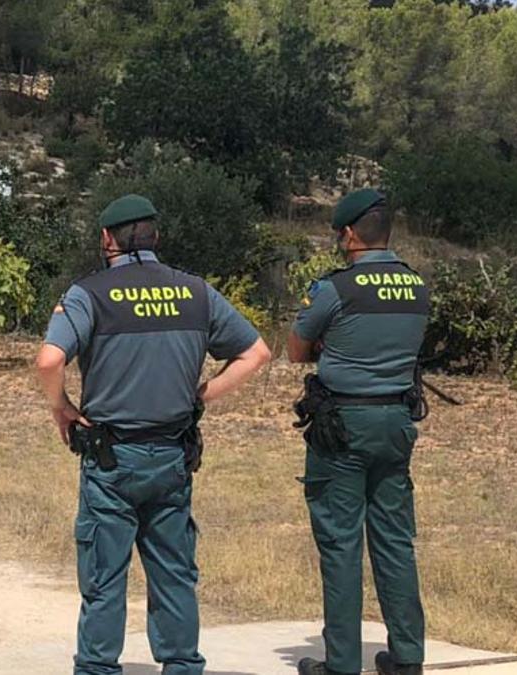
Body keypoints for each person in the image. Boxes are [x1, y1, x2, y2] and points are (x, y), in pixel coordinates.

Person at [35, 194, 271, 675]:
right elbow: (257, 354)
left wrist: (61, 408)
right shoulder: (196, 292)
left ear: (107, 239)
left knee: (104, 577)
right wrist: (201, 395)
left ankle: (99, 668)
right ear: (156, 236)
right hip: (171, 457)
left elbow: (49, 359)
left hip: (111, 460)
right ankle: (182, 665)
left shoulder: (90, 294)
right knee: (174, 574)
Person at [287, 189, 429, 675]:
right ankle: (407, 656)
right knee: (394, 539)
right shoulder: (416, 285)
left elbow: (296, 349)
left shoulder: (334, 288)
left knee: (340, 543)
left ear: (348, 235)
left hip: (342, 426)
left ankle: (342, 663)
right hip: (396, 422)